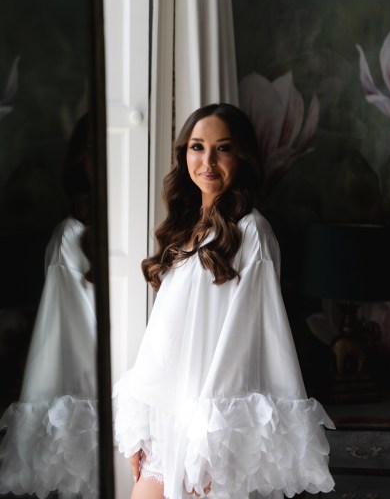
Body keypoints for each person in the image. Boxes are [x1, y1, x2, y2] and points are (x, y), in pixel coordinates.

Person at [113, 103, 335, 499]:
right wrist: (142, 428)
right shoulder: (184, 231)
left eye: (223, 148)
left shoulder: (252, 233)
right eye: (197, 147)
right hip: (167, 424)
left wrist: (209, 442)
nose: (208, 160)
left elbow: (249, 342)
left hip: (211, 430)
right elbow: (164, 338)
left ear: (242, 156)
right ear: (184, 154)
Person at [0, 114, 98, 499]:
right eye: (94, 151)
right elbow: (72, 347)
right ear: (81, 161)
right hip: (98, 404)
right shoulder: (72, 238)